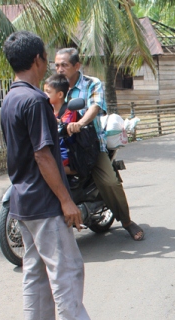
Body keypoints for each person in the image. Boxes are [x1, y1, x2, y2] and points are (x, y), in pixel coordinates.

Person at [0, 31, 115, 320]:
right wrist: (66, 200)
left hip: (23, 198)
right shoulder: (35, 100)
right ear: (37, 60)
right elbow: (43, 155)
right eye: (47, 59)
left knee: (35, 268)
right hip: (44, 199)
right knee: (67, 269)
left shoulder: (11, 98)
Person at [54, 47, 144, 240]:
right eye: (57, 65)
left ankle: (127, 221)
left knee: (110, 182)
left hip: (88, 145)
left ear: (77, 66)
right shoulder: (54, 85)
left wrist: (80, 123)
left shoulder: (92, 83)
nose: (60, 69)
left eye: (64, 65)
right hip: (61, 144)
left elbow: (95, 106)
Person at [43, 73, 77, 175]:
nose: (44, 95)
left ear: (60, 95)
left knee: (48, 169)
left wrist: (55, 121)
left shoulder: (69, 111)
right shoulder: (47, 110)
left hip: (65, 152)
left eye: (48, 92)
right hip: (51, 150)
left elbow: (64, 127)